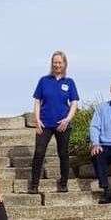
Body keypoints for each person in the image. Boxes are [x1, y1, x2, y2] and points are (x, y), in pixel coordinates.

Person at [29, 50, 79, 193]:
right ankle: (34, 185)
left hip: (62, 124)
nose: (57, 65)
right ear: (52, 64)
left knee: (63, 153)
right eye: (55, 62)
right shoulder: (44, 80)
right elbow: (37, 101)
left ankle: (63, 183)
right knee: (39, 153)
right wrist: (37, 120)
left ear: (64, 64)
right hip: (45, 123)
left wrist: (68, 119)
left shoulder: (69, 82)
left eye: (60, 62)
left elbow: (74, 102)